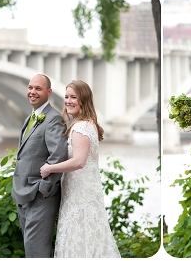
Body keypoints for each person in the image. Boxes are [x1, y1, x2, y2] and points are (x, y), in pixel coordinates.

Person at [39, 80, 120, 258]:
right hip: (83, 192)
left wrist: (49, 168)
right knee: (89, 238)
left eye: (73, 97)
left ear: (83, 100)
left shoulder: (81, 127)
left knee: (78, 238)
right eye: (66, 97)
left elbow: (79, 162)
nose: (68, 101)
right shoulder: (88, 124)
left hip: (79, 195)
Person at [12, 74, 68, 257]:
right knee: (31, 250)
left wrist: (44, 189)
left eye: (38, 88)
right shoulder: (31, 117)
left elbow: (58, 156)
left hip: (40, 196)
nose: (32, 92)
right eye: (30, 88)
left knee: (37, 252)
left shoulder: (53, 119)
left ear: (49, 92)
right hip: (23, 195)